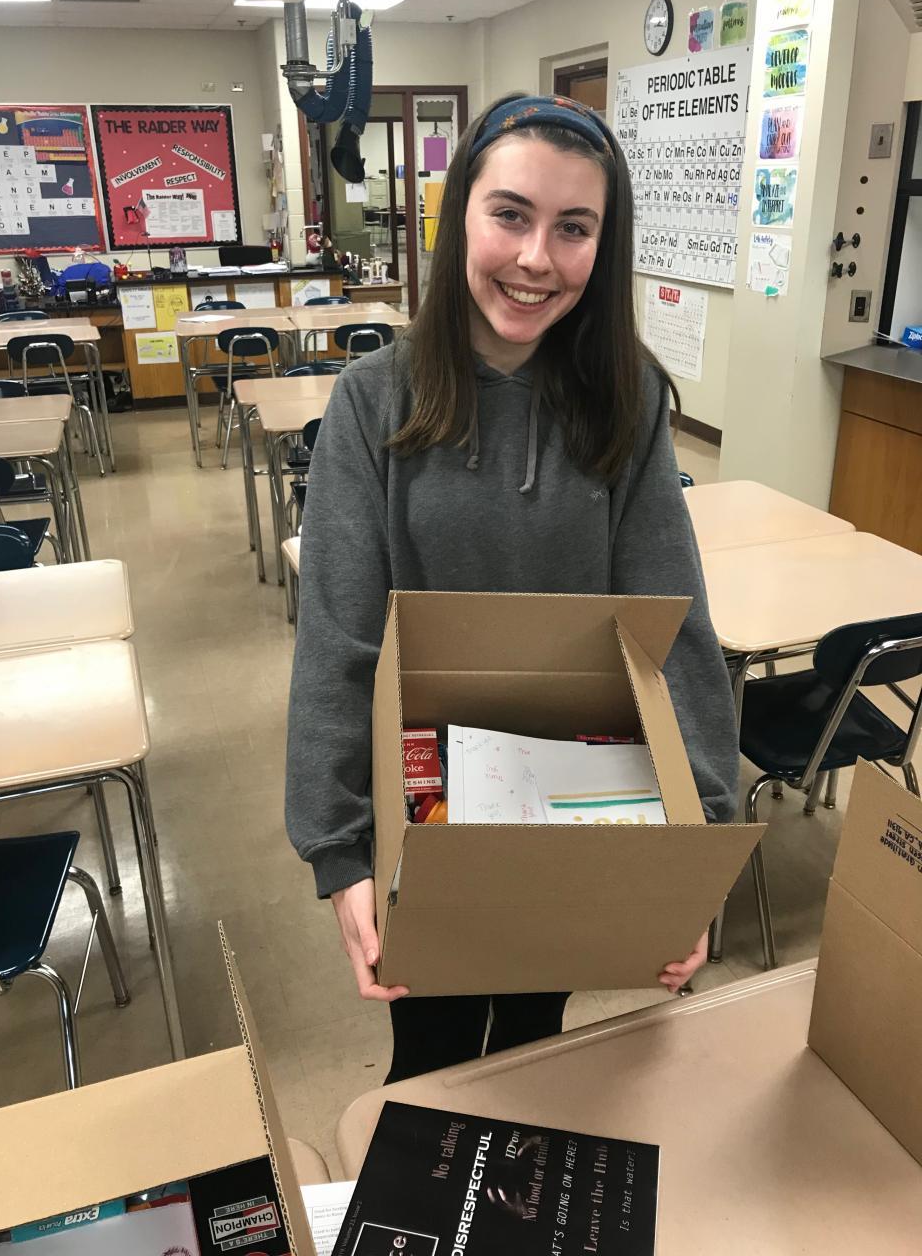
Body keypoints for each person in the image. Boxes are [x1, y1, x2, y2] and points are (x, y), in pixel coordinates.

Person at [285, 94, 739, 1083]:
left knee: (537, 1034)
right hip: (424, 801)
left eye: (573, 228)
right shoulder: (375, 400)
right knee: (434, 1052)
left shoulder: (628, 402)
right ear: (460, 216)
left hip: (571, 800)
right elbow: (338, 639)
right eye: (510, 215)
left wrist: (695, 841)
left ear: (602, 247)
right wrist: (338, 848)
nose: (537, 258)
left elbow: (674, 632)